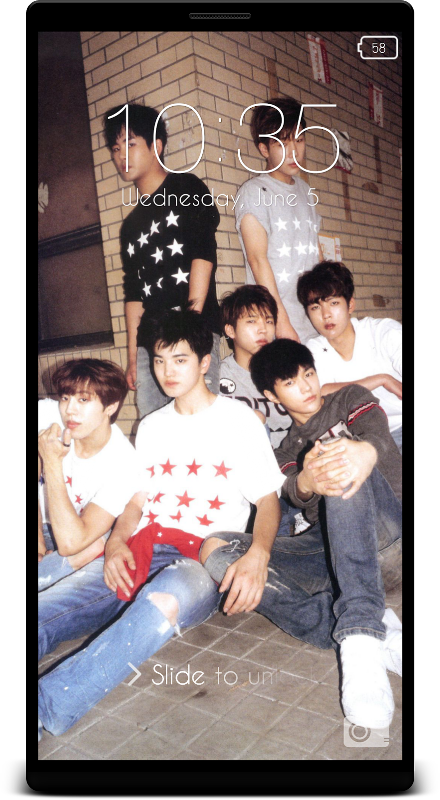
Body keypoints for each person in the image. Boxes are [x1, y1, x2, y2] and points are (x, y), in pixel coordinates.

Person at [38, 308, 284, 738]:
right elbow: (138, 498)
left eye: (180, 359)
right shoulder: (151, 425)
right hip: (142, 546)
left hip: (201, 558)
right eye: (159, 360)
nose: (167, 371)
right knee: (52, 608)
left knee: (162, 602)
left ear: (204, 362)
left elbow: (268, 500)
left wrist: (258, 553)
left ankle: (46, 707)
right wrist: (117, 541)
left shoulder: (238, 420)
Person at [201, 338, 402, 729]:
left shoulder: (349, 399)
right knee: (218, 549)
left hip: (391, 534)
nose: (306, 386)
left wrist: (360, 453)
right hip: (333, 554)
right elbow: (291, 491)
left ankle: (361, 632)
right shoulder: (284, 451)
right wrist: (307, 479)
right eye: (291, 382)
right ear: (272, 395)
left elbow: (377, 435)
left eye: (308, 374)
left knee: (337, 458)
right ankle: (373, 636)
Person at [104, 103, 222, 419]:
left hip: (193, 332)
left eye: (130, 144)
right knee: (154, 427)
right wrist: (133, 357)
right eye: (115, 148)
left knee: (199, 423)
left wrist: (191, 325)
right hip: (150, 345)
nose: (121, 155)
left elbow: (203, 256)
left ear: (156, 145)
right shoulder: (130, 226)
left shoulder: (186, 188)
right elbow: (133, 293)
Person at [38, 359, 142, 591]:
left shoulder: (125, 464)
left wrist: (51, 462)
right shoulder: (45, 415)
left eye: (83, 400)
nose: (69, 410)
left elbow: (70, 543)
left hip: (74, 533)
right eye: (66, 398)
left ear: (111, 407)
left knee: (92, 545)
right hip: (43, 528)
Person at [235, 97, 324, 344]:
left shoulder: (306, 192)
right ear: (264, 149)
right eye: (283, 143)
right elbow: (257, 260)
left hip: (314, 322)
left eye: (299, 140)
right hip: (278, 327)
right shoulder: (254, 192)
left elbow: (316, 254)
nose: (294, 151)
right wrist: (282, 324)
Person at [297, 261, 402, 452]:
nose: (326, 315)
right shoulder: (313, 349)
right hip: (363, 439)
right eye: (315, 307)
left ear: (350, 304)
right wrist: (381, 379)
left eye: (333, 303)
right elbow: (322, 392)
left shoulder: (384, 332)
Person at [219, 284, 291, 447]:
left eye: (269, 321)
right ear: (230, 330)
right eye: (252, 321)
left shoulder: (289, 371)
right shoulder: (218, 376)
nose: (263, 329)